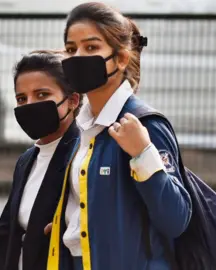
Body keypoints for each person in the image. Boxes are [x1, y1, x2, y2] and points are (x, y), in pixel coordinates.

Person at [45, 2, 192, 270]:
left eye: (91, 47)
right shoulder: (82, 129)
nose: (78, 56)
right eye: (70, 49)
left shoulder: (143, 124)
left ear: (122, 58)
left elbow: (176, 219)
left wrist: (143, 154)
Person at [0, 50, 82, 270]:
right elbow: (6, 238)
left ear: (72, 101)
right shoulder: (27, 160)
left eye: (42, 95)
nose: (30, 104)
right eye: (22, 98)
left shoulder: (83, 156)